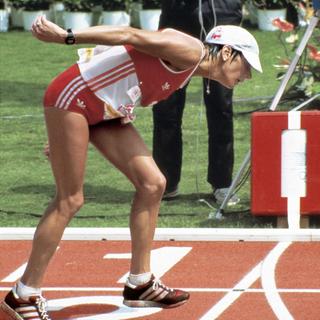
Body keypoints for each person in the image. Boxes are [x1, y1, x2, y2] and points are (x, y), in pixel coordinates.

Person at [0, 15, 261, 319]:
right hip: (74, 99)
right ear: (227, 52)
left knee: (153, 184)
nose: (248, 76)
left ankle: (140, 284)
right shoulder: (189, 49)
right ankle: (24, 294)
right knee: (70, 199)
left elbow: (117, 68)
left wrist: (68, 135)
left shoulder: (189, 68)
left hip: (103, 111)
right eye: (247, 65)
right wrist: (66, 36)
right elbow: (129, 34)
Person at [153, 0, 243, 204]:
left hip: (222, 12)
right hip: (177, 14)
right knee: (166, 102)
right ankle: (165, 182)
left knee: (221, 104)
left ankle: (222, 182)